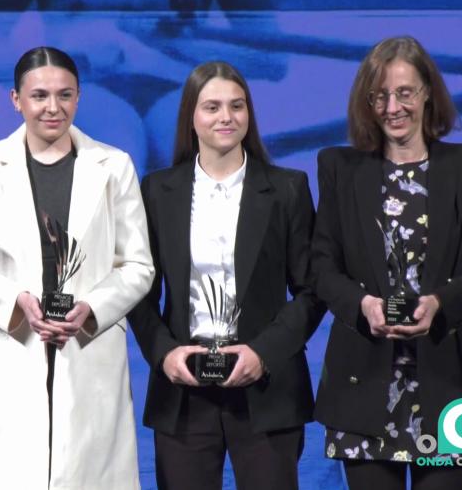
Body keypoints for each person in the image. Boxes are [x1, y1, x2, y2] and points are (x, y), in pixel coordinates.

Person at [312, 36, 462, 489]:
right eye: (379, 95)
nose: (392, 106)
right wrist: (361, 304)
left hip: (450, 385)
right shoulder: (339, 168)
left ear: (427, 93)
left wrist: (440, 303)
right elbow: (322, 268)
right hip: (363, 387)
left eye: (404, 92)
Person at [0, 46, 154, 490]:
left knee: (87, 470)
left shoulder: (114, 166)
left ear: (79, 99)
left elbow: (138, 264)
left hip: (86, 346)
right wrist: (15, 303)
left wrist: (92, 308)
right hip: (11, 342)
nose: (53, 107)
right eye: (39, 95)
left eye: (65, 95)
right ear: (15, 100)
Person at [127, 61, 325, 490]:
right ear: (191, 117)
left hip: (266, 389)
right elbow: (140, 291)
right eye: (212, 107)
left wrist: (263, 353)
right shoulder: (158, 191)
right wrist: (164, 355)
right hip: (184, 390)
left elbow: (312, 291)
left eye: (237, 106)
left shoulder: (288, 188)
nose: (226, 117)